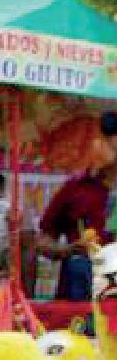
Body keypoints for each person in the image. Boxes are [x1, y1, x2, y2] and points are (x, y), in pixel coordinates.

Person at [38, 113, 117, 300]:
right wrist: (69, 249)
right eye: (104, 140)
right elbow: (43, 242)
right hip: (80, 294)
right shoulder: (75, 187)